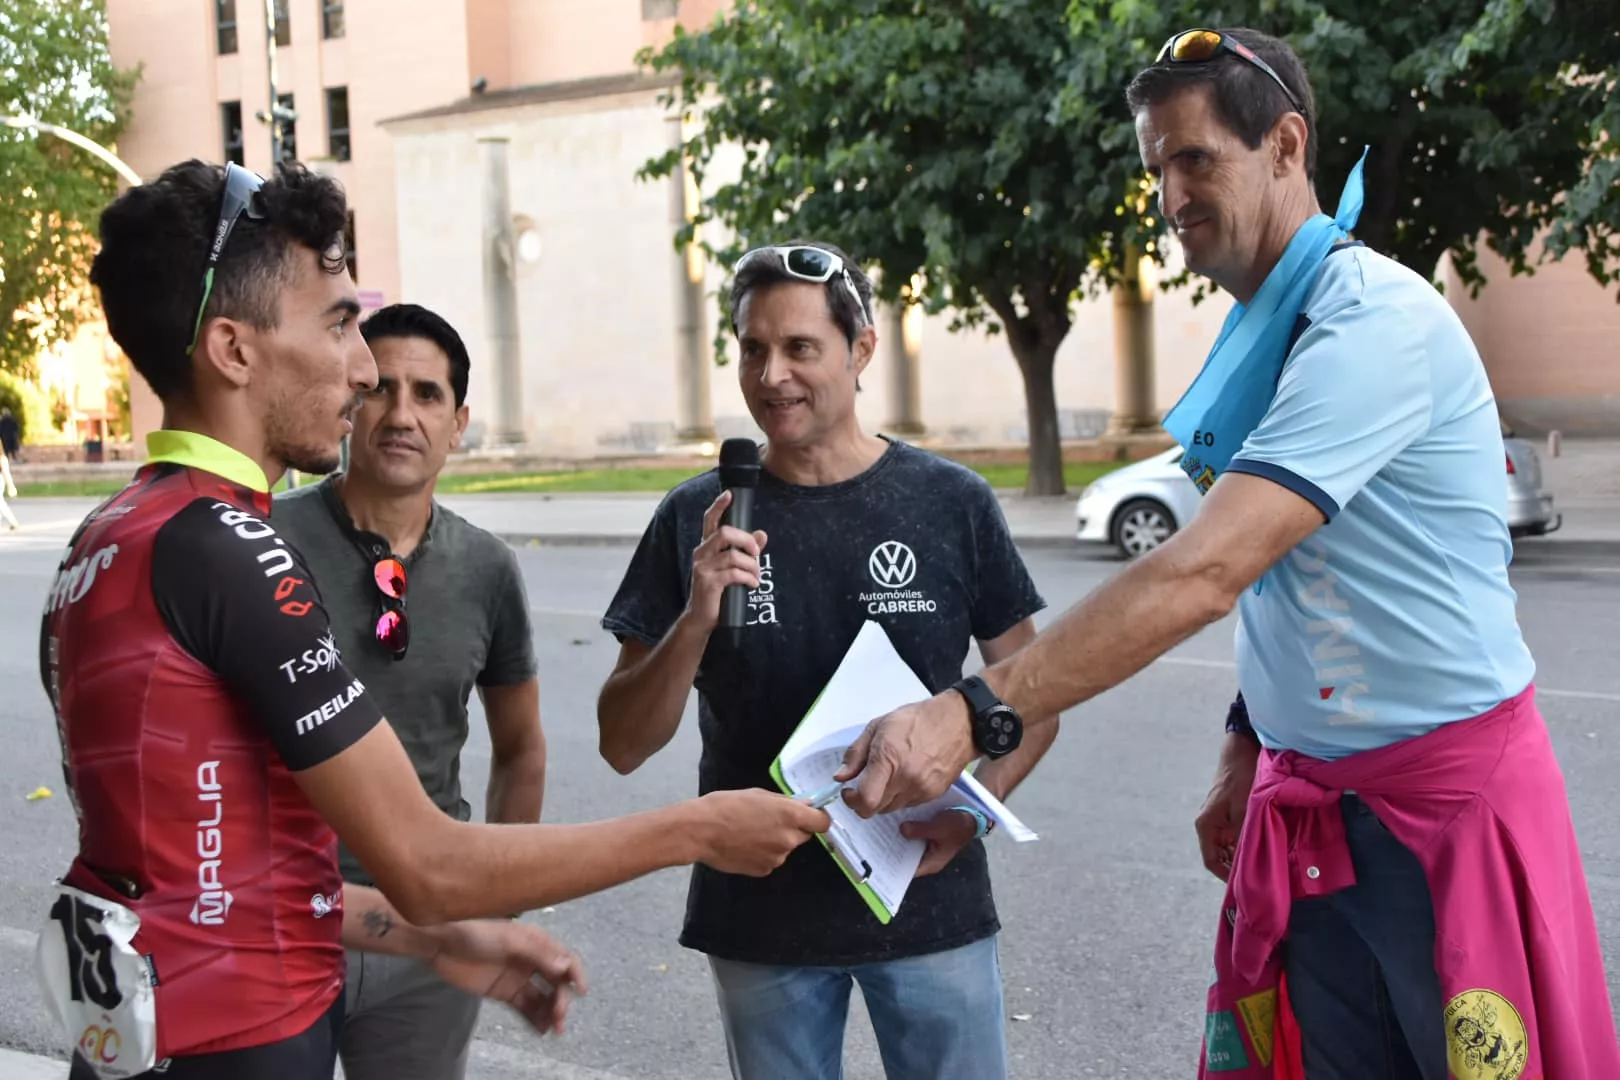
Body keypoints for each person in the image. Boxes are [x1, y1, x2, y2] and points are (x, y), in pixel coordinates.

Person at [832, 28, 1620, 1080]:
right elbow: (1294, 575)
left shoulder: (1370, 324)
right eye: (1156, 166)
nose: (1169, 194)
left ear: (1286, 145)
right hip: (1312, 807)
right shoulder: (1272, 324)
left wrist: (969, 713)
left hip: (1440, 822)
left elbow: (1208, 569)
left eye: (1196, 158)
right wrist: (1246, 745)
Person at [39, 158, 829, 1080]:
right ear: (233, 350)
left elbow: (221, 883)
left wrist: (434, 940)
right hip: (242, 1043)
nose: (363, 367)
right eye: (338, 324)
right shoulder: (235, 551)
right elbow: (425, 861)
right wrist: (698, 830)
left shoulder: (117, 530)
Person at [596, 240, 1055, 1080]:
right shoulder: (698, 515)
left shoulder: (949, 501)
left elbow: (1036, 694)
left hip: (928, 900)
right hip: (760, 915)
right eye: (753, 349)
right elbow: (623, 742)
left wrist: (976, 815)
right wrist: (696, 617)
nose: (771, 375)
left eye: (800, 347)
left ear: (862, 348)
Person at [272, 302, 546, 1080]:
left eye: (427, 395)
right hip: (286, 917)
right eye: (380, 390)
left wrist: (492, 909)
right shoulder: (264, 540)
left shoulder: (487, 569)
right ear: (348, 401)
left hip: (429, 932)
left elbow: (520, 749)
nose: (401, 415)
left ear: (458, 424)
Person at [0, 406, 20, 530]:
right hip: (11, 439)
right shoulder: (12, 421)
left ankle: (13, 522)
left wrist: (10, 485)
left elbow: (5, 468)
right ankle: (13, 522)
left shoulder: (1, 457)